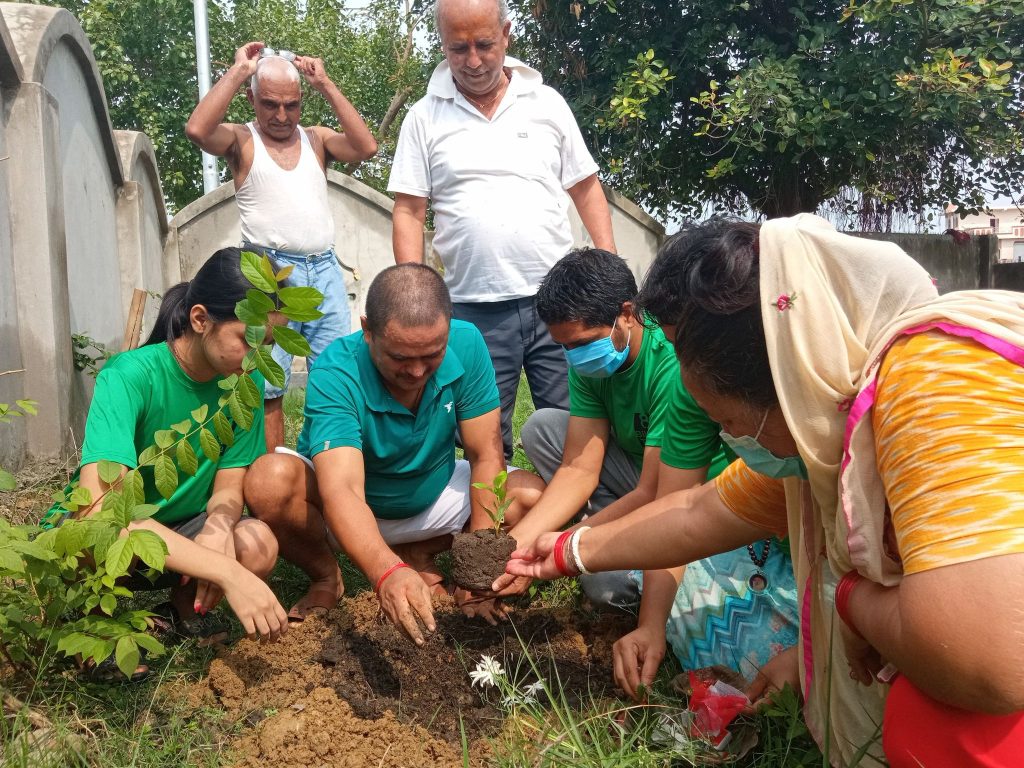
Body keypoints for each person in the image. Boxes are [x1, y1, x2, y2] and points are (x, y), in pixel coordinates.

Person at [506, 215, 1024, 767]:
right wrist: (565, 551)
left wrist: (846, 601)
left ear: (785, 380)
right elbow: (694, 512)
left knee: (934, 727)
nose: (729, 439)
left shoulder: (935, 378)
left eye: (730, 423)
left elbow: (987, 664)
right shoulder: (826, 435)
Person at [492, 248, 797, 698]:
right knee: (543, 427)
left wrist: (572, 545)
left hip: (685, 489)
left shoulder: (677, 367)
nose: (574, 357)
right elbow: (580, 466)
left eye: (581, 343)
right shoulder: (599, 367)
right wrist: (521, 548)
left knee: (608, 582)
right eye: (565, 347)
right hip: (653, 479)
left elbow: (668, 499)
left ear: (627, 315)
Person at [244, 264, 543, 643]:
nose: (417, 371)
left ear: (449, 329)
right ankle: (326, 575)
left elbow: (486, 456)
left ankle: (419, 553)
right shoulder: (338, 369)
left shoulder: (467, 344)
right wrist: (384, 572)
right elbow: (343, 492)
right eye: (400, 357)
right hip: (351, 511)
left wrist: (476, 570)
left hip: (432, 494)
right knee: (268, 482)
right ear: (367, 330)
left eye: (431, 355)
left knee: (531, 498)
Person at [388, 0, 617, 459]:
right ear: (443, 45)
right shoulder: (424, 117)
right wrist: (416, 295)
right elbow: (409, 211)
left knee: (580, 423)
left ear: (506, 35)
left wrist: (608, 274)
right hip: (473, 310)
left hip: (560, 302)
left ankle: (580, 524)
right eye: (458, 48)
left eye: (484, 45)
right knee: (482, 436)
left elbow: (587, 189)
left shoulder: (547, 103)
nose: (473, 61)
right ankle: (491, 526)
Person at [42, 248, 289, 672]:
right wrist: (224, 570)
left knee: (259, 543)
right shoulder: (129, 376)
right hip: (111, 534)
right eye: (248, 342)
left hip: (179, 531)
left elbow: (230, 483)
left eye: (267, 345)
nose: (257, 359)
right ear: (200, 320)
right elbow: (103, 509)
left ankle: (180, 611)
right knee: (97, 531)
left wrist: (218, 527)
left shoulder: (243, 385)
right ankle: (93, 623)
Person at [185, 41, 378, 450]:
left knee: (335, 378)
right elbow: (198, 130)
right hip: (268, 275)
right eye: (270, 104)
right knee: (267, 384)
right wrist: (240, 70)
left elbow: (366, 147)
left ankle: (323, 464)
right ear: (251, 98)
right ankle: (268, 474)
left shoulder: (316, 140)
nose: (281, 115)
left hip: (323, 271)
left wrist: (324, 82)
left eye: (291, 105)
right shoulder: (242, 140)